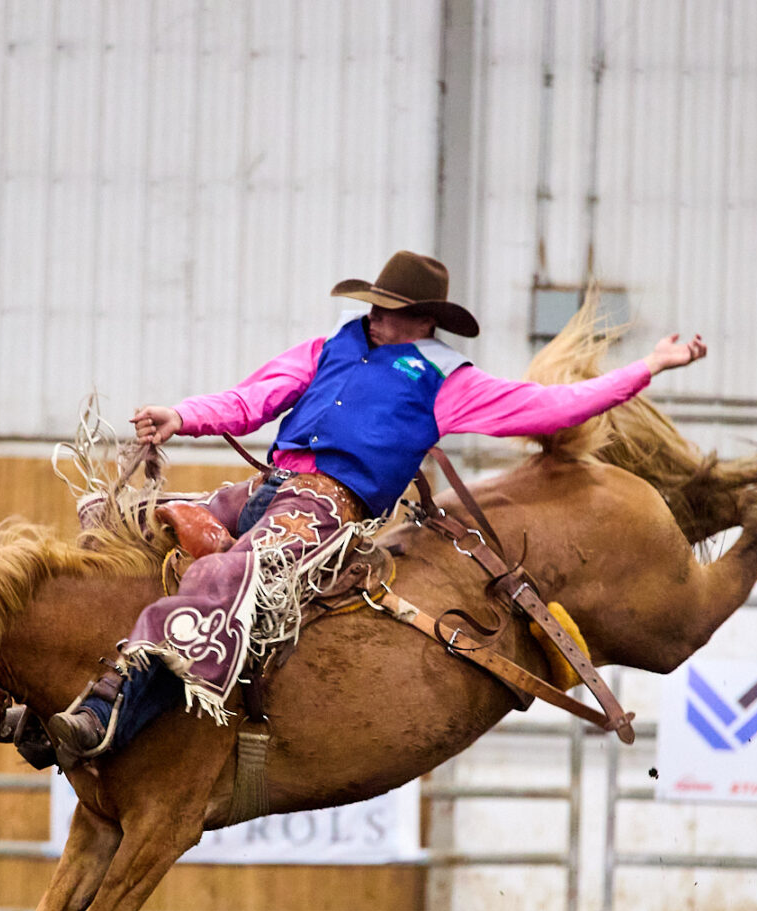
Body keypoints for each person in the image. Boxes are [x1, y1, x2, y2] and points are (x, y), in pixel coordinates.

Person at [44, 250, 707, 767]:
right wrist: (180, 416)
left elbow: (550, 408)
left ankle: (110, 709)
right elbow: (252, 400)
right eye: (380, 308)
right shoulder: (328, 348)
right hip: (269, 488)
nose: (382, 319)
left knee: (226, 575)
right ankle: (49, 690)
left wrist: (647, 367)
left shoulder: (447, 380)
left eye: (396, 311)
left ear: (426, 321)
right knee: (125, 522)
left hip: (326, 509)